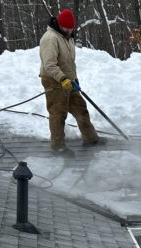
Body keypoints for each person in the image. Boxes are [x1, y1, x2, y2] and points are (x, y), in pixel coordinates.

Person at [38, 9, 103, 154]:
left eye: (71, 27)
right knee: (58, 114)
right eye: (66, 27)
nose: (69, 30)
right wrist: (62, 79)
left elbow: (68, 62)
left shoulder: (68, 36)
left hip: (68, 80)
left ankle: (91, 139)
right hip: (54, 81)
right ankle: (58, 147)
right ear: (59, 24)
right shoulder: (50, 39)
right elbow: (49, 65)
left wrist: (74, 79)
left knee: (81, 109)